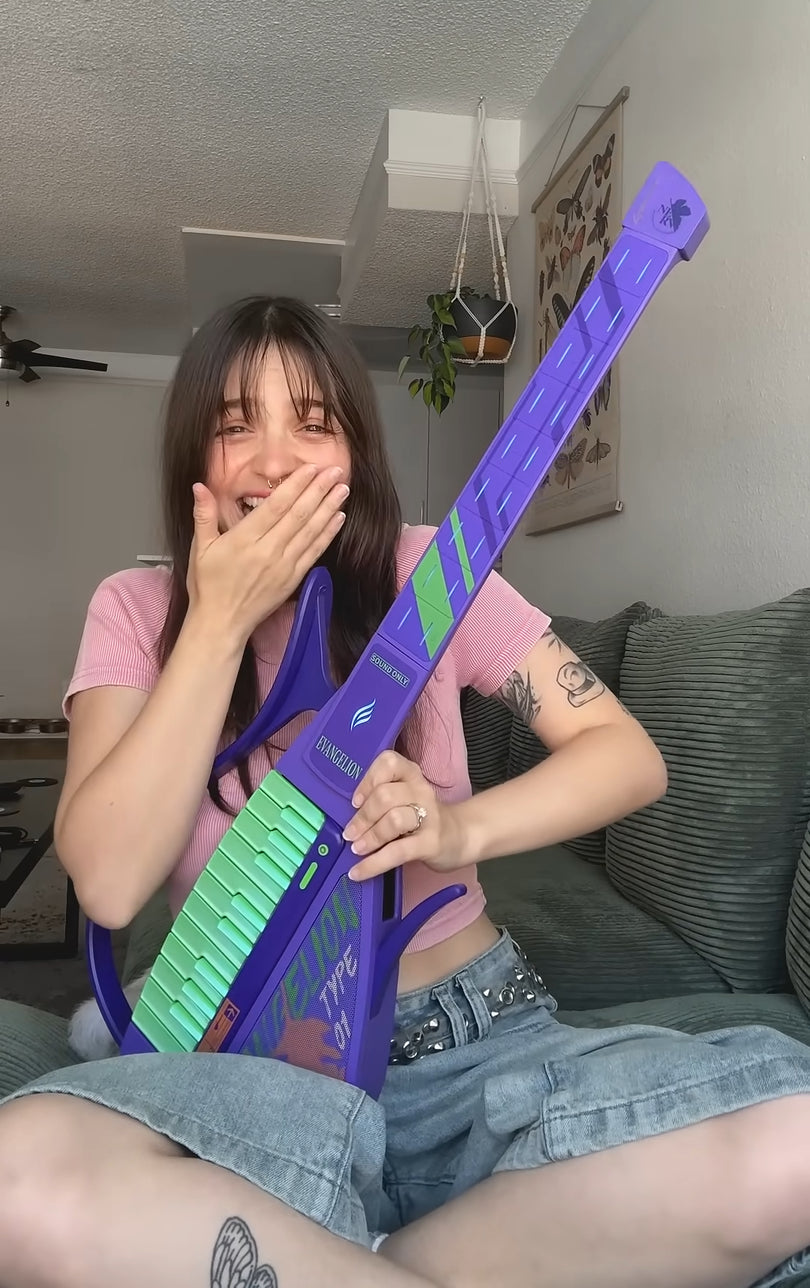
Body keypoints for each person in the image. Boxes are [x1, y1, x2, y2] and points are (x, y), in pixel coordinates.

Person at [2, 297, 810, 1288]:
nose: (273, 459)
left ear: (357, 449)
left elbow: (624, 755)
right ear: (193, 461)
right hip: (245, 1073)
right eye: (233, 424)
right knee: (20, 1182)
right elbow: (113, 888)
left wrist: (459, 823)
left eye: (313, 421)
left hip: (479, 1044)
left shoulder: (432, 571)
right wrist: (215, 625)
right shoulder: (136, 609)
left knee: (791, 1150)